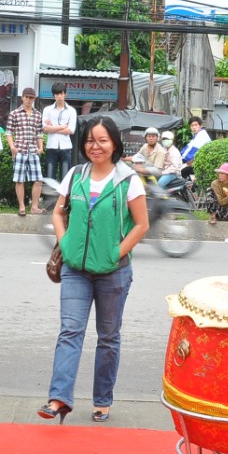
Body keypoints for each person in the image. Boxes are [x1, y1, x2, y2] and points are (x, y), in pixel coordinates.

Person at [40, 116, 150, 424]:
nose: (95, 146)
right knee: (70, 332)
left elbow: (141, 225)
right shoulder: (75, 175)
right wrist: (67, 242)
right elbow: (59, 214)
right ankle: (59, 398)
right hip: (75, 269)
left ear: (114, 143)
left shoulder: (127, 180)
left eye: (102, 140)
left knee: (108, 337)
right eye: (90, 140)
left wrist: (116, 253)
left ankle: (102, 400)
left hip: (114, 272)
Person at [7, 87, 44, 215]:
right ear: (22, 97)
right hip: (20, 149)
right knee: (19, 179)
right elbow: (8, 132)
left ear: (34, 99)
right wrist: (12, 147)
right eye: (26, 97)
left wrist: (41, 148)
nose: (28, 100)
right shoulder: (14, 113)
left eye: (31, 97)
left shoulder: (38, 114)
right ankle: (22, 206)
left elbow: (39, 133)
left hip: (33, 150)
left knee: (38, 179)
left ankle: (34, 207)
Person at [42, 83, 77, 181]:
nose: (59, 96)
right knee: (50, 176)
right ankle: (50, 197)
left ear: (65, 94)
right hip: (51, 146)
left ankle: (64, 196)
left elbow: (71, 130)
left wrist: (53, 127)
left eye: (61, 93)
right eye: (57, 94)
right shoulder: (47, 110)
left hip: (66, 147)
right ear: (53, 95)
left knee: (65, 177)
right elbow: (45, 129)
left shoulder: (71, 111)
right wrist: (62, 126)